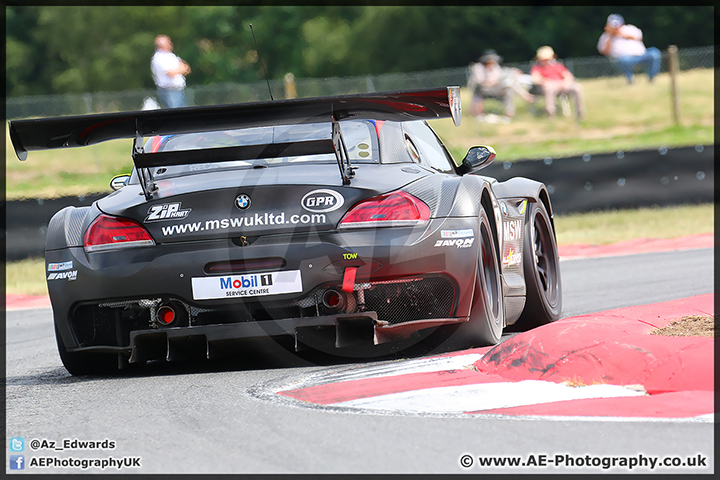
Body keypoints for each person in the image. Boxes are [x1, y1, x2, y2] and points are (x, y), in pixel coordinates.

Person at [467, 49, 534, 122]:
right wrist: (493, 82)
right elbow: (480, 82)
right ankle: (525, 95)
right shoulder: (478, 67)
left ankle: (509, 114)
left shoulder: (495, 66)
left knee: (509, 87)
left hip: (496, 89)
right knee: (509, 83)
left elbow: (500, 76)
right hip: (482, 90)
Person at [597, 14, 661, 84]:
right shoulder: (605, 36)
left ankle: (651, 78)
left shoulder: (630, 29)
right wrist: (610, 35)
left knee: (654, 53)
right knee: (624, 60)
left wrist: (620, 33)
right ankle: (630, 79)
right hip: (621, 60)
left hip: (641, 56)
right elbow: (604, 51)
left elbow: (637, 37)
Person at [530, 46, 584, 120]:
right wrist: (546, 82)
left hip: (562, 85)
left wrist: (566, 83)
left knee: (577, 87)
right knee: (549, 88)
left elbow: (568, 75)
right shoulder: (537, 68)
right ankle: (551, 114)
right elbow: (536, 78)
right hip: (548, 87)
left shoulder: (558, 66)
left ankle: (580, 114)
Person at [151, 34, 191, 108]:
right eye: (168, 42)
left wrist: (178, 70)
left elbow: (186, 68)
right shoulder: (159, 58)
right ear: (161, 45)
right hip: (169, 91)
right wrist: (180, 69)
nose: (170, 44)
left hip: (178, 90)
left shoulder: (171, 56)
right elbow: (171, 73)